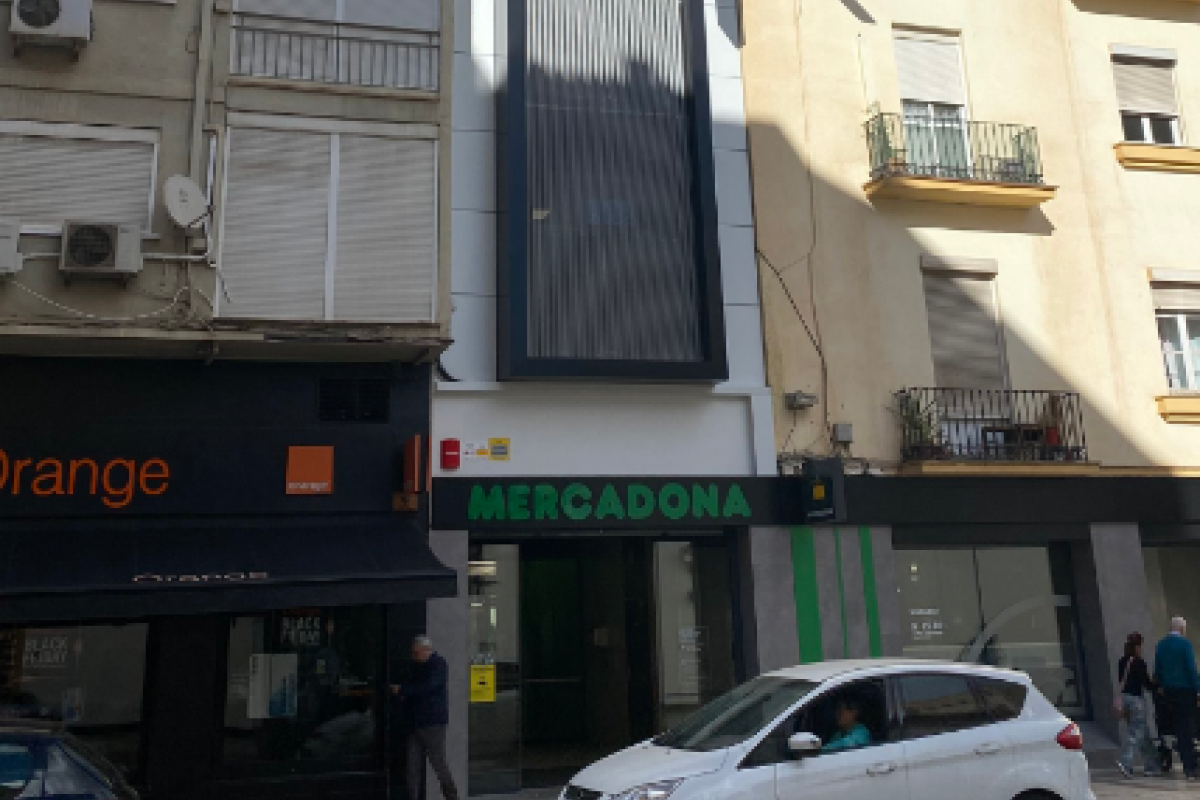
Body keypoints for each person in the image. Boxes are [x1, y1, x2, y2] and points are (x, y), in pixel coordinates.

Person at [392, 636, 460, 800]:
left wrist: (403, 690)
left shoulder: (438, 665)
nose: (414, 656)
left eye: (416, 653)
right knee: (412, 766)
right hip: (416, 721)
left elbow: (427, 687)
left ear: (426, 650)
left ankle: (452, 796)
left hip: (432, 723)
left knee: (438, 763)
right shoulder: (418, 666)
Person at [1153, 617, 1200, 780]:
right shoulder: (1185, 644)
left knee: (1179, 728)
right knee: (1188, 727)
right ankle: (1190, 766)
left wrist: (1162, 685)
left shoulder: (1161, 645)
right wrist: (1198, 689)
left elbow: (1158, 670)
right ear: (1182, 628)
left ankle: (1188, 764)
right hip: (1185, 690)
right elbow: (1191, 668)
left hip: (1169, 691)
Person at [1115, 632, 1160, 778]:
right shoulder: (1139, 663)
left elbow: (1121, 681)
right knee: (1135, 733)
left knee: (1143, 733)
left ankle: (1152, 764)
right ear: (1138, 647)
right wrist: (1157, 687)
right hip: (1136, 700)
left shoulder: (1122, 661)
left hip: (1124, 699)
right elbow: (1146, 684)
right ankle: (1126, 763)